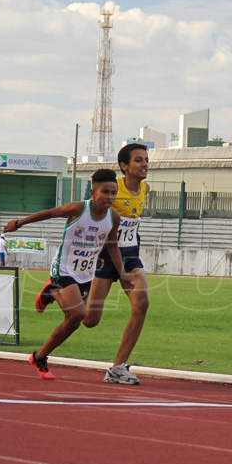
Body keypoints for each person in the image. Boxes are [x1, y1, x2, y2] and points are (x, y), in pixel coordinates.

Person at [2, 169, 127, 380]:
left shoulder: (113, 216)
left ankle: (39, 356)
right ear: (93, 192)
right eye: (105, 192)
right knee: (77, 314)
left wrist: (123, 274)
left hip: (86, 273)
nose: (110, 197)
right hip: (64, 269)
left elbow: (113, 246)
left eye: (113, 193)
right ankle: (52, 290)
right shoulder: (78, 209)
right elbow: (49, 213)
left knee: (82, 320)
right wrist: (18, 223)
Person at [83, 143, 151, 385]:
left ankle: (118, 368)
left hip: (130, 255)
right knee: (90, 320)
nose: (144, 164)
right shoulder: (112, 189)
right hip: (104, 256)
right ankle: (61, 290)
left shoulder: (145, 189)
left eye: (146, 159)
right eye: (138, 160)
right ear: (124, 166)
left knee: (141, 304)